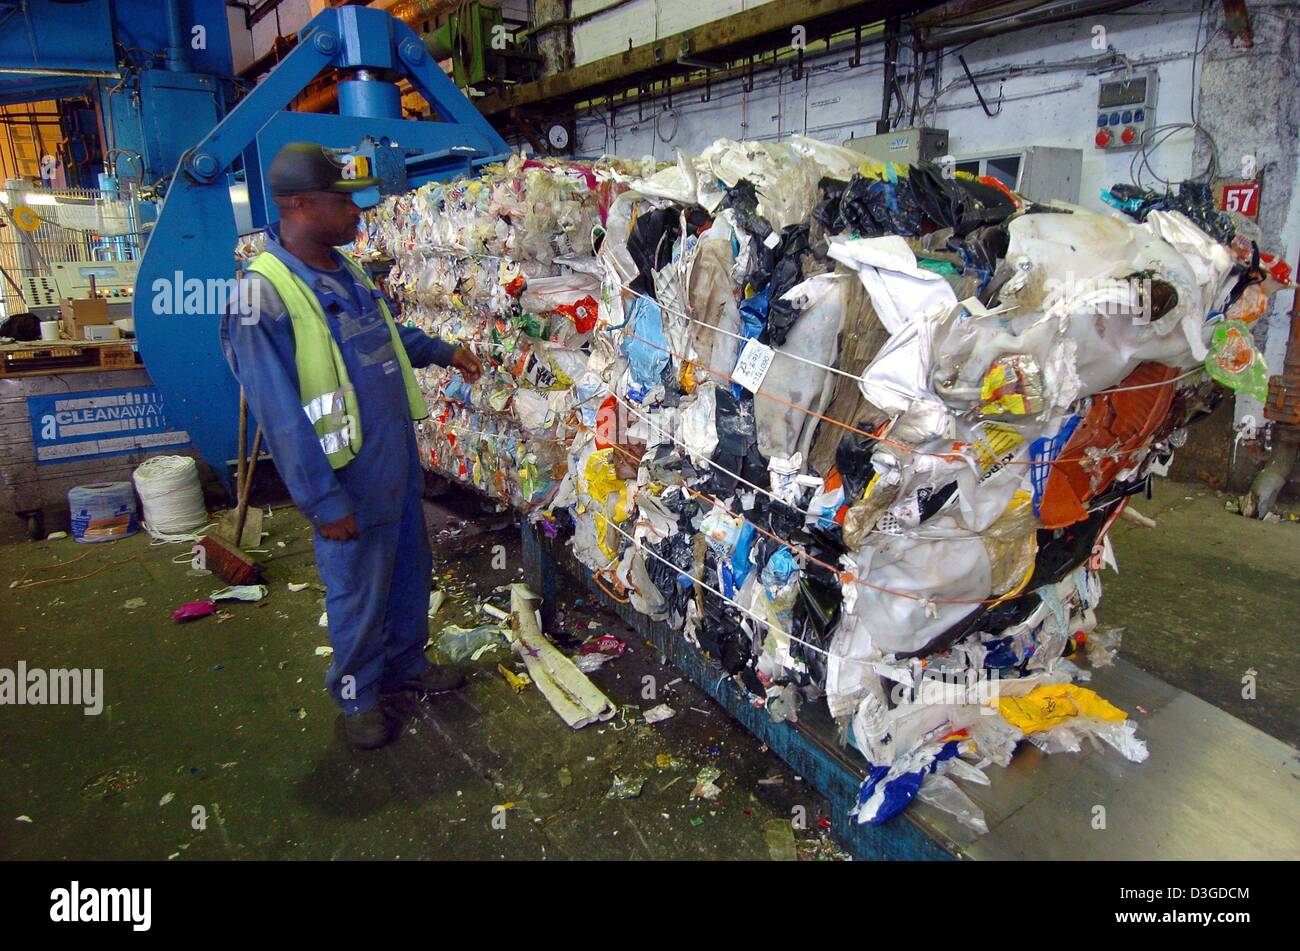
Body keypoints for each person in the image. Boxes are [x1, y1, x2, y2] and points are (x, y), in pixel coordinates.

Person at [222, 142, 483, 750]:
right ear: (298, 204)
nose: (356, 213)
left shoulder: (348, 270)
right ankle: (357, 696)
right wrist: (321, 501)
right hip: (344, 475)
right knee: (357, 589)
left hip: (393, 458)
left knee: (407, 572)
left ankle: (405, 667)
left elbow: (384, 338)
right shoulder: (261, 297)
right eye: (342, 201)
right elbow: (281, 416)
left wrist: (444, 352)